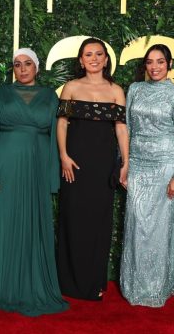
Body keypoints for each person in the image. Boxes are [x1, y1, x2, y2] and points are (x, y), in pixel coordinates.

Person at [0, 48, 69, 316]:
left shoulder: (50, 96)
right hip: (5, 167)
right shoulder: (2, 94)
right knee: (6, 222)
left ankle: (33, 283)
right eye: (17, 64)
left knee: (33, 223)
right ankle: (1, 284)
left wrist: (51, 176)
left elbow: (55, 135)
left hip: (37, 167)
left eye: (28, 63)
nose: (23, 69)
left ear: (36, 67)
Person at [119, 44, 174, 307]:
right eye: (150, 62)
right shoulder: (135, 89)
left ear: (169, 64)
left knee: (160, 228)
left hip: (166, 167)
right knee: (137, 224)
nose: (154, 67)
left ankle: (157, 286)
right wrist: (125, 165)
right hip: (138, 165)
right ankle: (136, 284)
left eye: (160, 62)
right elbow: (127, 129)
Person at [56, 37, 129, 300]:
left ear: (106, 60)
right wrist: (63, 156)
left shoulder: (116, 90)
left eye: (99, 54)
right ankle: (67, 282)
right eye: (88, 54)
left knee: (99, 221)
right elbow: (61, 123)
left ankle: (94, 282)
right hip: (74, 163)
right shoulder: (71, 87)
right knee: (73, 218)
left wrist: (125, 163)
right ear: (81, 60)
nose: (94, 59)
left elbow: (121, 129)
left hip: (103, 164)